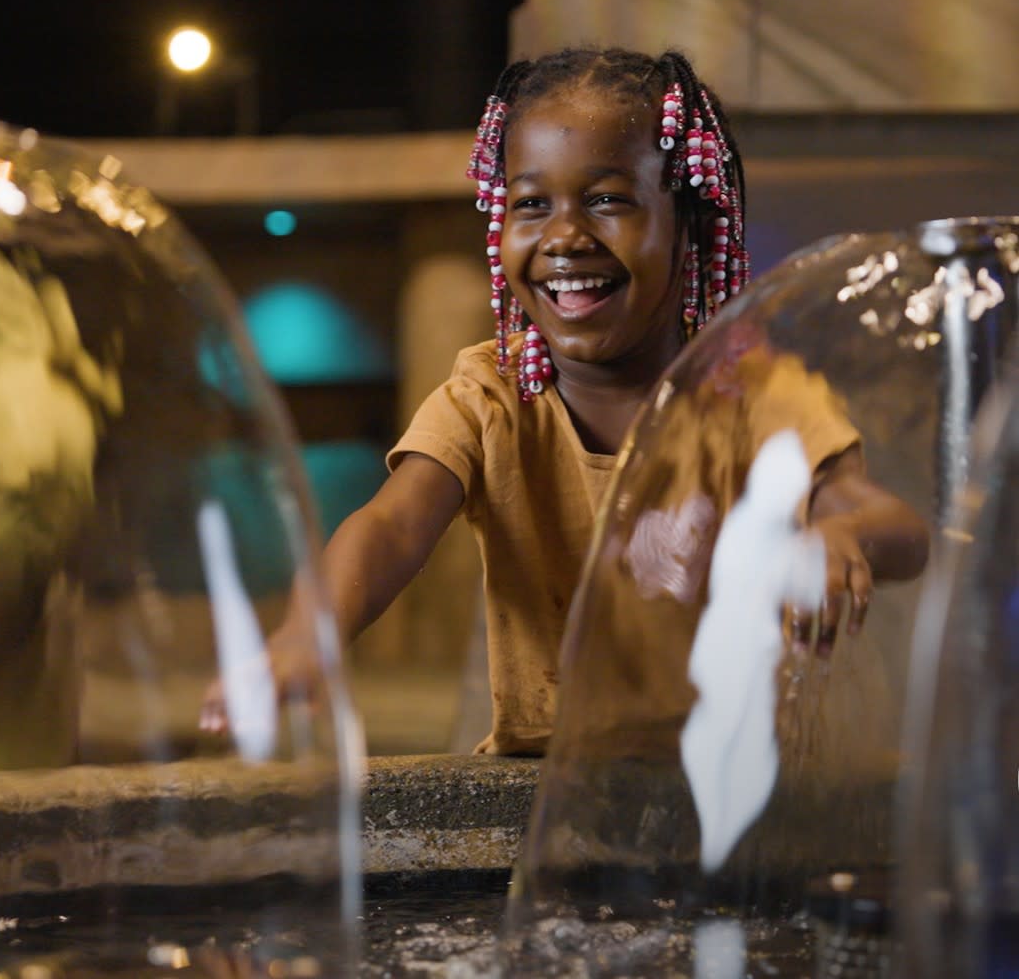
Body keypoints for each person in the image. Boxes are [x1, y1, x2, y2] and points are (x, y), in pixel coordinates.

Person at [200, 46, 929, 755]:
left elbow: (893, 525)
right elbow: (389, 526)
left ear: (691, 226)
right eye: (532, 205)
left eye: (609, 200)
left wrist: (839, 539)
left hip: (734, 792)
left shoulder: (750, 391)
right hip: (546, 794)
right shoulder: (489, 393)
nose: (565, 236)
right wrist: (305, 638)